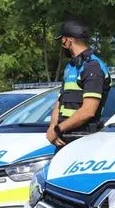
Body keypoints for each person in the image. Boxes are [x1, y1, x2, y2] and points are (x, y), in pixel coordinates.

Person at [46, 19, 111, 149]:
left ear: (68, 40)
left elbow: (88, 111)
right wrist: (53, 127)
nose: (62, 45)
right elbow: (60, 101)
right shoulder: (70, 66)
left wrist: (58, 130)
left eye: (62, 41)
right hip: (63, 138)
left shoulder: (92, 66)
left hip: (84, 140)